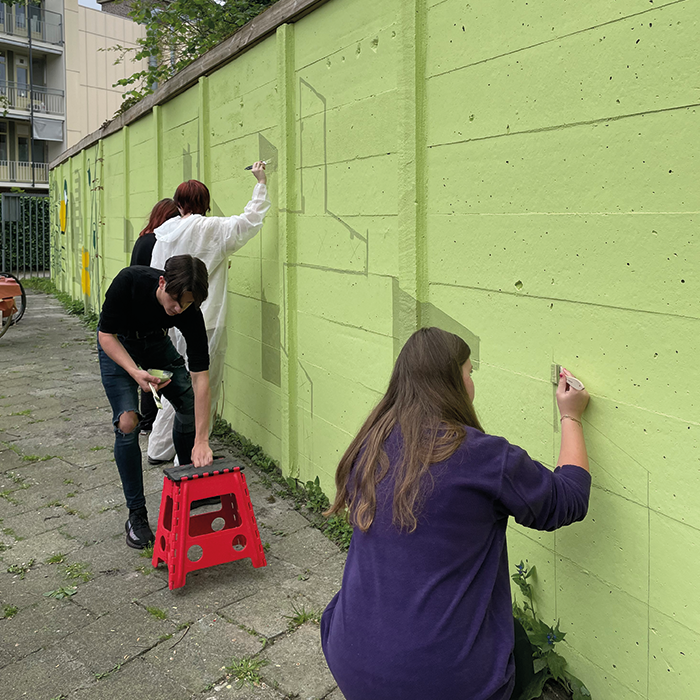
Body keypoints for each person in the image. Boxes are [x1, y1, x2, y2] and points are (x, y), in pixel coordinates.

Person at [321, 327, 591, 700]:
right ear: (453, 383)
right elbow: (570, 497)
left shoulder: (371, 443)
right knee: (520, 654)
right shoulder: (485, 458)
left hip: (350, 655)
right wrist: (571, 417)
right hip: (443, 683)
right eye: (469, 373)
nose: (471, 383)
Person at [146, 162, 271, 465]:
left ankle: (159, 448)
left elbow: (155, 276)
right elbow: (249, 221)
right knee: (202, 386)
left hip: (173, 320)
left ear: (178, 204)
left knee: (175, 385)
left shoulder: (164, 234)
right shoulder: (210, 229)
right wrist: (261, 183)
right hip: (206, 320)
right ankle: (190, 456)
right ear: (205, 204)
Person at [97, 254, 214, 550]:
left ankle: (188, 484)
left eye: (187, 304)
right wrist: (135, 372)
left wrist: (202, 439)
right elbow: (105, 335)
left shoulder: (188, 310)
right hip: (120, 346)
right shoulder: (130, 281)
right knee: (127, 422)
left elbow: (201, 378)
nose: (179, 309)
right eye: (176, 301)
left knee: (187, 400)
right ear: (162, 282)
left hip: (155, 344)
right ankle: (136, 515)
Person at [130, 198, 180, 432]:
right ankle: (151, 420)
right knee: (155, 370)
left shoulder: (143, 239)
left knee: (147, 369)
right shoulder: (157, 241)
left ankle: (147, 420)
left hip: (137, 309)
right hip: (151, 312)